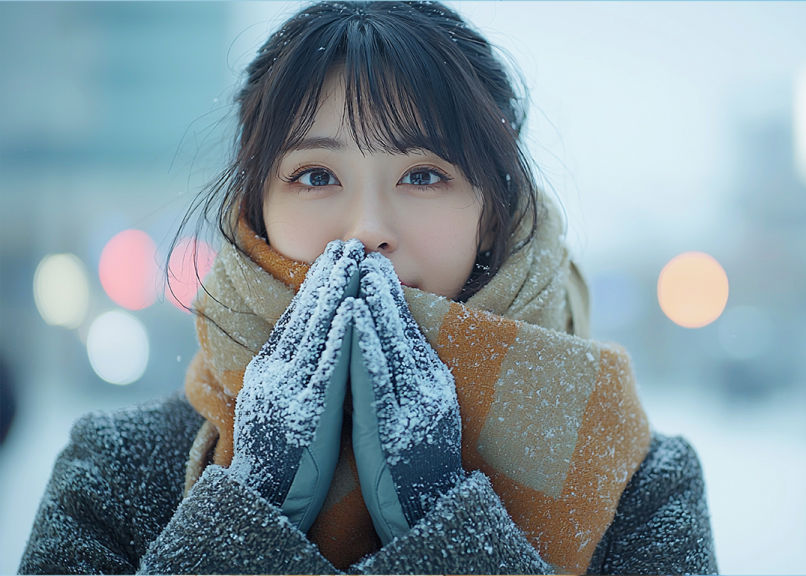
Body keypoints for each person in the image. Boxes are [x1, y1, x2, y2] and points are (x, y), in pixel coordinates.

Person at [19, 3, 717, 574]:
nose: (367, 229)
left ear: (494, 212)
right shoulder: (113, 472)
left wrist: (451, 532)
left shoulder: (636, 483)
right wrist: (244, 520)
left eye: (423, 175)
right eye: (316, 176)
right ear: (255, 207)